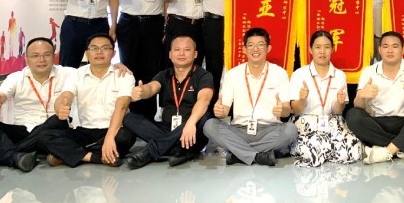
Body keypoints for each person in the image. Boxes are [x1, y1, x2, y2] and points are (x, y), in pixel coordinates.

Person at [38, 34, 136, 167]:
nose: (99, 52)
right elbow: (66, 95)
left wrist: (109, 137)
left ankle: (69, 154)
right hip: (84, 131)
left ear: (113, 53)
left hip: (115, 129)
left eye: (105, 48)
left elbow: (122, 106)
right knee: (44, 136)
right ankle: (96, 157)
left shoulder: (124, 75)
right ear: (86, 53)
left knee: (126, 136)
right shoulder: (76, 74)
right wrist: (62, 106)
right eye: (94, 48)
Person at [204, 28, 297, 166]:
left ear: (268, 48)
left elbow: (287, 110)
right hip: (239, 130)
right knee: (210, 125)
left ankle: (239, 154)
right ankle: (259, 156)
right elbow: (224, 111)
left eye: (260, 44)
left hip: (269, 129)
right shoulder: (232, 75)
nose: (255, 49)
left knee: (291, 130)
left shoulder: (280, 73)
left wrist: (282, 110)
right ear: (244, 49)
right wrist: (220, 112)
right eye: (251, 45)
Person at [0, 38, 75, 172]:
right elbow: (0, 95)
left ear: (54, 56)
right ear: (26, 58)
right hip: (24, 130)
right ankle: (18, 156)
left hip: (54, 133)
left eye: (46, 55)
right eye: (35, 56)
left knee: (58, 120)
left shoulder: (69, 74)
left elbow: (92, 71)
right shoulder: (16, 77)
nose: (41, 60)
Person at [123, 36, 214, 169]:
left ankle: (151, 152)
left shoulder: (203, 75)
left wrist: (190, 124)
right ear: (170, 54)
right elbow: (152, 87)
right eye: (177, 50)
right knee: (129, 118)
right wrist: (142, 91)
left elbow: (204, 100)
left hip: (192, 129)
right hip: (167, 128)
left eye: (187, 50)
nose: (181, 53)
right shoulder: (164, 75)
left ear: (195, 54)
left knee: (205, 117)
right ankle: (181, 150)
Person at [346, 31, 404, 163]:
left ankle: (386, 151)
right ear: (379, 50)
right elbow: (359, 106)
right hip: (378, 124)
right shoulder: (369, 71)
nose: (390, 50)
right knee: (352, 115)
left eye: (395, 46)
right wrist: (362, 96)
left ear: (403, 49)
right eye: (385, 46)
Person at [113, 0, 166, 119]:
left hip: (155, 23)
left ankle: (149, 116)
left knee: (152, 68)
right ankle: (132, 115)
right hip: (129, 22)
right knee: (129, 69)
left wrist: (166, 24)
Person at [289, 30, 361, 167]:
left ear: (332, 49)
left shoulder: (339, 75)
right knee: (312, 148)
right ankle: (330, 150)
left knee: (355, 150)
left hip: (331, 123)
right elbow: (296, 110)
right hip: (306, 123)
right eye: (318, 47)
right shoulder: (299, 74)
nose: (322, 51)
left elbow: (338, 111)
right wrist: (302, 99)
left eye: (327, 47)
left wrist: (340, 102)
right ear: (310, 49)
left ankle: (326, 151)